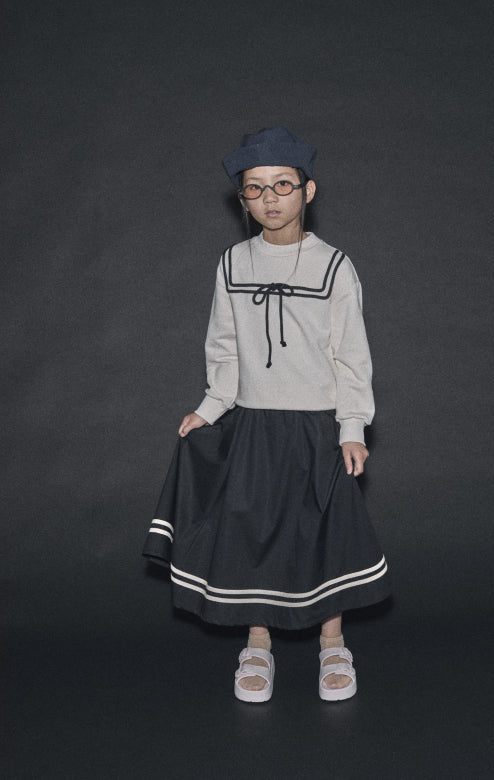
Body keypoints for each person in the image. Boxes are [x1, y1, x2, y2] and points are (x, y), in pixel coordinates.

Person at [143, 126, 390, 703]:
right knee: (252, 529)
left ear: (308, 190)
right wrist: (210, 408)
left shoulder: (333, 266)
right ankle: (258, 642)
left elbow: (351, 355)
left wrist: (352, 426)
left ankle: (333, 643)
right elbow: (224, 347)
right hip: (255, 426)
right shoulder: (233, 263)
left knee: (321, 531)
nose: (270, 198)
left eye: (282, 184)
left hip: (317, 427)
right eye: (255, 188)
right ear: (242, 200)